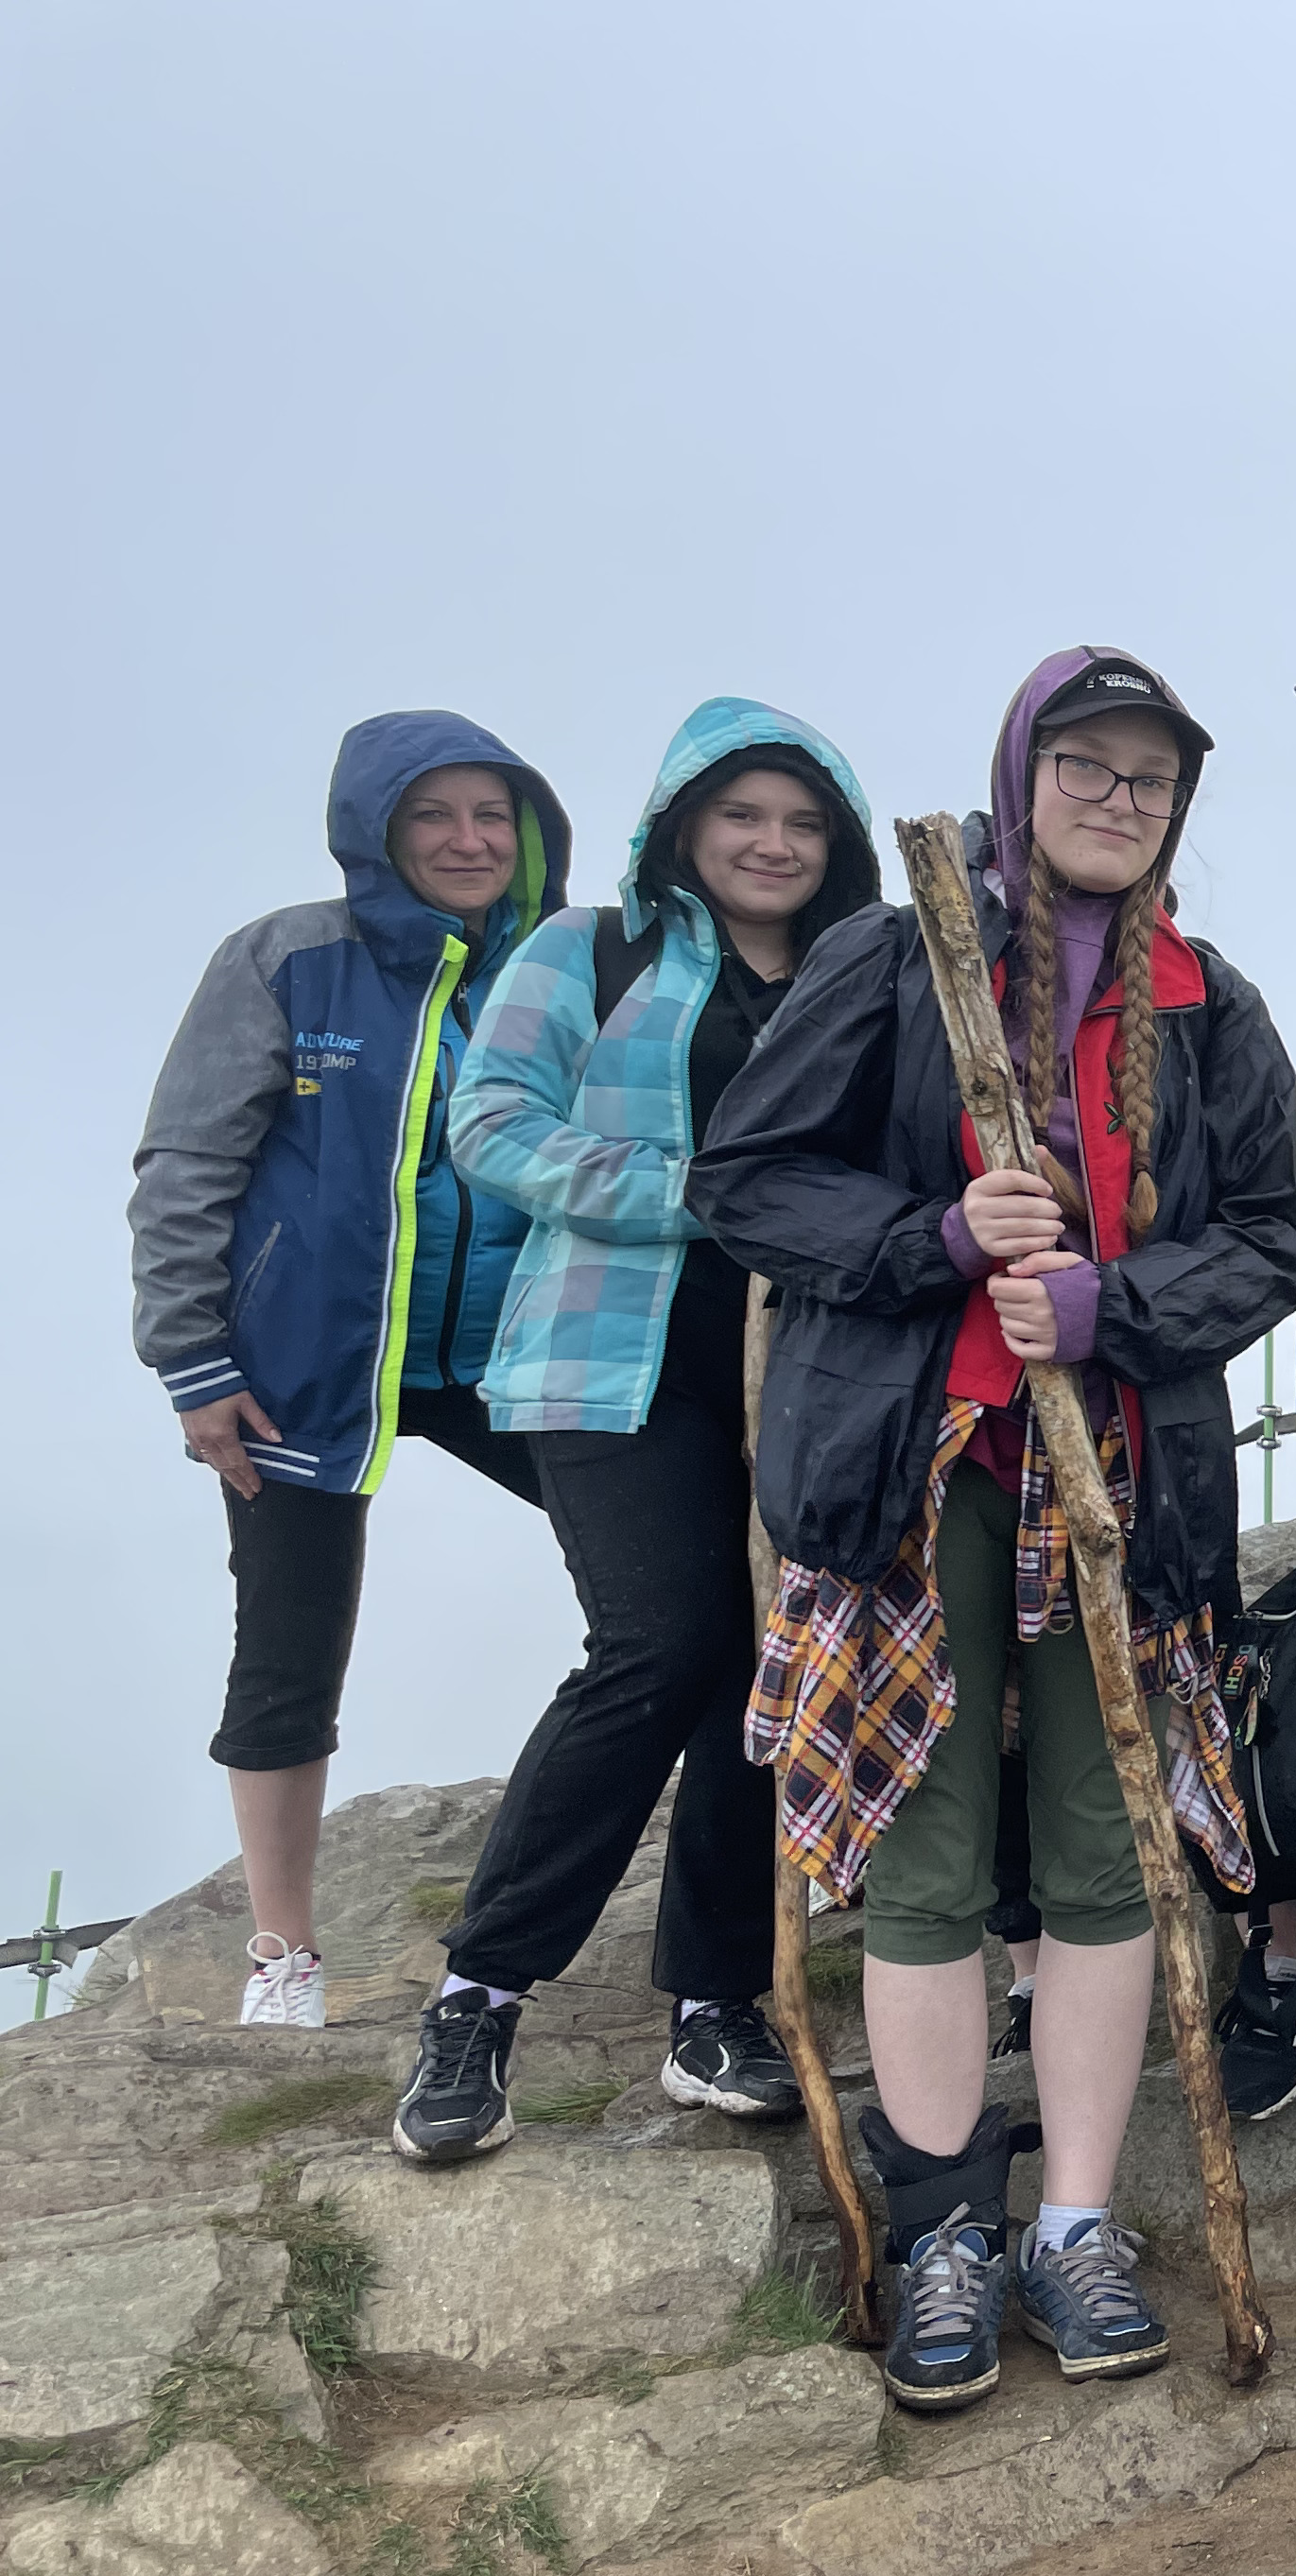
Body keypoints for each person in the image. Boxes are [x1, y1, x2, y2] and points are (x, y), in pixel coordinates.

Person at [690, 647, 1296, 2411]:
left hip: (1117, 1473)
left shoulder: (1209, 1001)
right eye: (1091, 766)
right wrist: (943, 1241)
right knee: (923, 1845)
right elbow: (745, 1180)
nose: (1121, 801)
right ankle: (942, 2228)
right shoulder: (902, 955)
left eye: (1152, 779)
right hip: (925, 1471)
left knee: (1109, 1848)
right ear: (1020, 770)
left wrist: (1113, 1304)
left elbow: (1283, 1229)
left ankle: (1073, 2223)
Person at [392, 700, 880, 2162]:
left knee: (758, 1667)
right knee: (661, 1647)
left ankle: (716, 2004)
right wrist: (697, 1190)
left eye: (802, 822)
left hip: (802, 1374)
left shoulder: (862, 972)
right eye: (743, 816)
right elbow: (491, 1122)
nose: (773, 845)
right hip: (605, 1366)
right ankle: (480, 1993)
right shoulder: (589, 951)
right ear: (683, 826)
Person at [131, 713, 569, 2030]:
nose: (468, 840)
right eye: (433, 816)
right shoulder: (284, 960)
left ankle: (573, 1884)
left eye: (493, 815)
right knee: (287, 1652)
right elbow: (186, 1166)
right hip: (306, 1366)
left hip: (511, 1354)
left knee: (676, 1597)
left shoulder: (565, 969)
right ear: (375, 832)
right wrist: (194, 1362)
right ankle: (283, 1958)